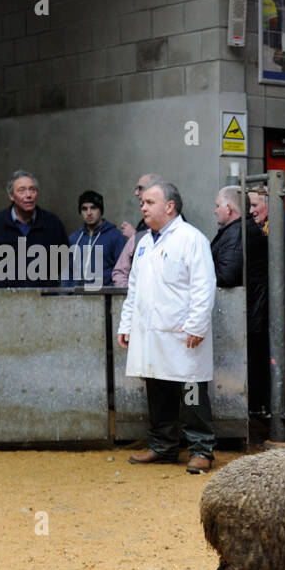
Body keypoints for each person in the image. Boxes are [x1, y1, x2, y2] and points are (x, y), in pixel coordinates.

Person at [118, 181, 218, 474]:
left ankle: (201, 449)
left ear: (169, 207)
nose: (143, 207)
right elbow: (134, 289)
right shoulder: (145, 242)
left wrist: (197, 326)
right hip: (151, 333)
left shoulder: (191, 239)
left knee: (191, 391)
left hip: (182, 332)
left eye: (149, 202)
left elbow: (204, 286)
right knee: (158, 390)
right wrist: (127, 325)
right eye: (142, 203)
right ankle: (162, 446)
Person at [213, 186, 272, 416]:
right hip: (249, 312)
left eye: (217, 205)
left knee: (249, 367)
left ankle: (252, 412)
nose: (215, 211)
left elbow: (227, 276)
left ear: (228, 208)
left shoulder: (238, 233)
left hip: (246, 313)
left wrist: (199, 278)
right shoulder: (240, 230)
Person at [0, 170, 68, 287]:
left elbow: (63, 259)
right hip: (5, 298)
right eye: (22, 191)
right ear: (11, 196)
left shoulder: (53, 224)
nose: (28, 195)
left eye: (32, 190)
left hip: (43, 299)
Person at [111, 173, 162, 287]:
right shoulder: (143, 224)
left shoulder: (183, 234)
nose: (136, 193)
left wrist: (134, 235)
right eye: (142, 205)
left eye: (140, 188)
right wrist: (131, 295)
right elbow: (120, 272)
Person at [67, 190, 124, 288]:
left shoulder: (115, 236)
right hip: (77, 298)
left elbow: (123, 271)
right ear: (80, 212)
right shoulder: (74, 239)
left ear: (100, 210)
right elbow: (68, 271)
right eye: (84, 209)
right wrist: (64, 297)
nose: (89, 213)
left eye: (93, 208)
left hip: (105, 297)